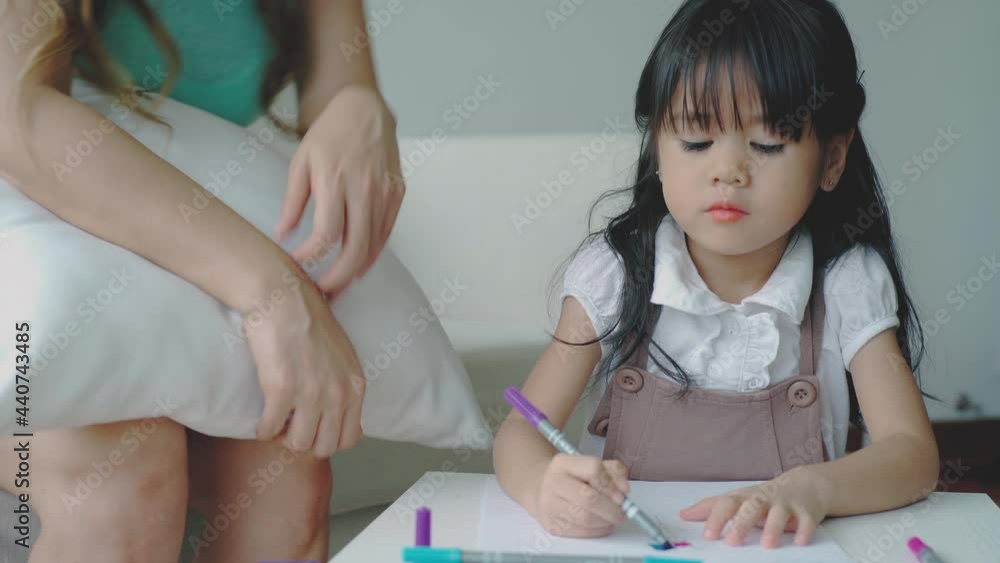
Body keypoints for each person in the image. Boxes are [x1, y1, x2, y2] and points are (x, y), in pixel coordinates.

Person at [493, 0, 939, 549]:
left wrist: (812, 489)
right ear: (657, 149)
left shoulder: (847, 282)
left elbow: (913, 456)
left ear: (832, 159)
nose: (728, 171)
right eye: (696, 142)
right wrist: (543, 487)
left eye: (767, 144)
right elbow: (521, 431)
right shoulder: (615, 274)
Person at [0, 0, 403, 561]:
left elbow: (340, 87)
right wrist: (272, 290)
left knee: (284, 483)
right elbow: (15, 116)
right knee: (124, 481)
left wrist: (361, 107)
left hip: (178, 270)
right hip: (30, 265)